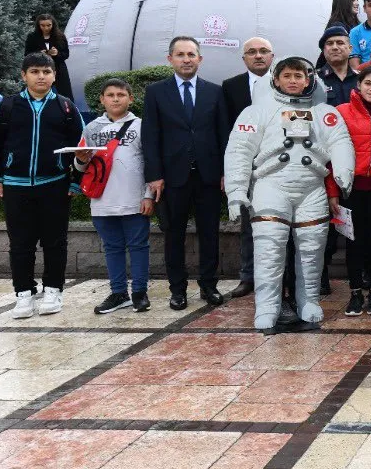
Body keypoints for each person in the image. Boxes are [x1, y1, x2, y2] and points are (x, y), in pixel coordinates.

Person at [225, 56, 354, 332]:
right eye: (287, 76)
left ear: (309, 80)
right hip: (271, 186)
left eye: (299, 76)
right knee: (269, 249)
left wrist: (344, 170)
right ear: (276, 80)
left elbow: (340, 141)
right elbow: (239, 150)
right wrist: (236, 191)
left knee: (311, 249)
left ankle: (308, 300)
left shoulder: (323, 112)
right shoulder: (257, 112)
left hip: (311, 189)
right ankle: (267, 306)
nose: (293, 81)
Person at [0, 52, 83, 319]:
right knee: (20, 243)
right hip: (16, 186)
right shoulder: (8, 106)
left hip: (54, 185)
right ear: (24, 75)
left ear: (54, 75)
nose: (41, 76)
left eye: (46, 72)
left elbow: (80, 150)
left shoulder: (66, 108)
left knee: (55, 242)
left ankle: (53, 290)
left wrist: (75, 183)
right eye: (35, 72)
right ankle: (23, 294)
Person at [143, 36, 230, 310]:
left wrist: (226, 172)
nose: (186, 59)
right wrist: (155, 175)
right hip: (172, 178)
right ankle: (177, 290)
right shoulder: (156, 92)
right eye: (180, 54)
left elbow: (224, 135)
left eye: (191, 54)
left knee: (209, 234)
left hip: (208, 176)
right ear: (170, 59)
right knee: (174, 235)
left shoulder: (215, 92)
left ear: (200, 59)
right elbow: (150, 136)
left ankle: (208, 285)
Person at [78, 78, 154, 315]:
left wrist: (149, 195)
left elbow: (152, 163)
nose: (115, 99)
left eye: (121, 95)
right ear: (101, 99)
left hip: (134, 198)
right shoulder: (91, 128)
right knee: (112, 247)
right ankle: (118, 292)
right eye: (110, 95)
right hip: (102, 200)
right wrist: (80, 160)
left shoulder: (142, 125)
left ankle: (140, 293)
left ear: (131, 99)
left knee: (139, 246)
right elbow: (81, 167)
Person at [220, 37, 277, 297]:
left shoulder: (286, 83)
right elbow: (225, 131)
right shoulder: (230, 87)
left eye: (263, 51)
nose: (258, 56)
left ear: (272, 56)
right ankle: (248, 277)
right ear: (244, 58)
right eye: (251, 52)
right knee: (248, 226)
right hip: (246, 167)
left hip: (279, 166)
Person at [335, 66, 371, 317]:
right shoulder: (341, 112)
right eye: (368, 83)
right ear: (358, 85)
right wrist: (332, 192)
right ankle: (356, 291)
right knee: (353, 241)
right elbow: (331, 156)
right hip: (351, 188)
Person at [25, 13, 73, 99]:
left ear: (53, 24)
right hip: (40, 69)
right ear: (38, 25)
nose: (46, 28)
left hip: (59, 69)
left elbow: (66, 54)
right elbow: (27, 54)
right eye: (42, 25)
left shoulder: (60, 36)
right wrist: (38, 54)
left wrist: (57, 53)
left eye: (48, 25)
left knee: (64, 94)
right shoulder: (32, 37)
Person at [316, 26, 360, 109]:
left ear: (350, 49)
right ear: (324, 50)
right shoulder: (314, 81)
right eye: (330, 43)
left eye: (340, 43)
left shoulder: (362, 79)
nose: (335, 47)